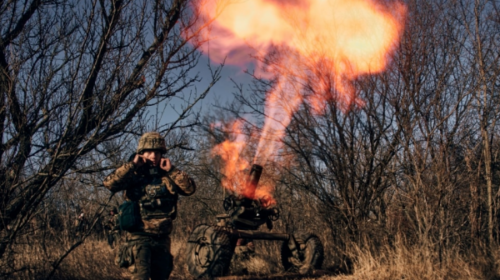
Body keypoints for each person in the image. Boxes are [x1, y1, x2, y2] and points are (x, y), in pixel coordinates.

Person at [103, 132, 196, 280]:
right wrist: (132, 165)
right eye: (149, 152)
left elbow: (190, 189)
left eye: (157, 152)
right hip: (139, 239)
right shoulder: (133, 174)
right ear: (141, 153)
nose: (153, 156)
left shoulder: (167, 175)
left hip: (162, 239)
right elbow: (109, 183)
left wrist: (171, 170)